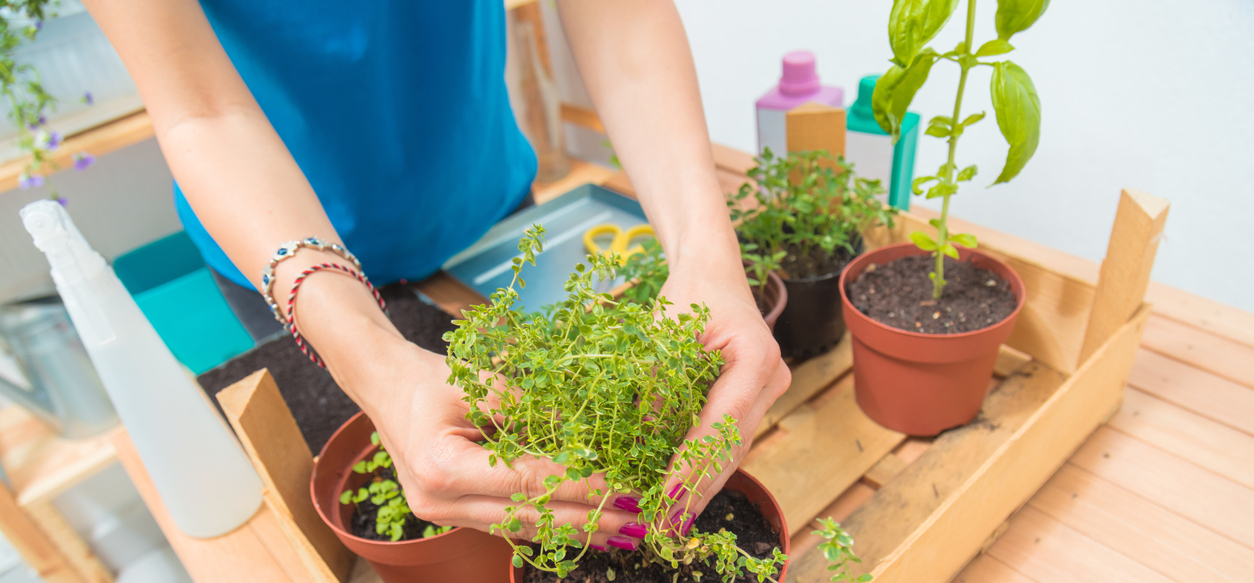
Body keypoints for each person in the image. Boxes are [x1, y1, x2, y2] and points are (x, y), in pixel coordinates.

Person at [84, 0, 790, 548]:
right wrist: (371, 360)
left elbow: (619, 14)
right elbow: (201, 109)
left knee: (539, 449)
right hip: (275, 241)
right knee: (408, 466)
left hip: (483, 206)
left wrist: (705, 256)